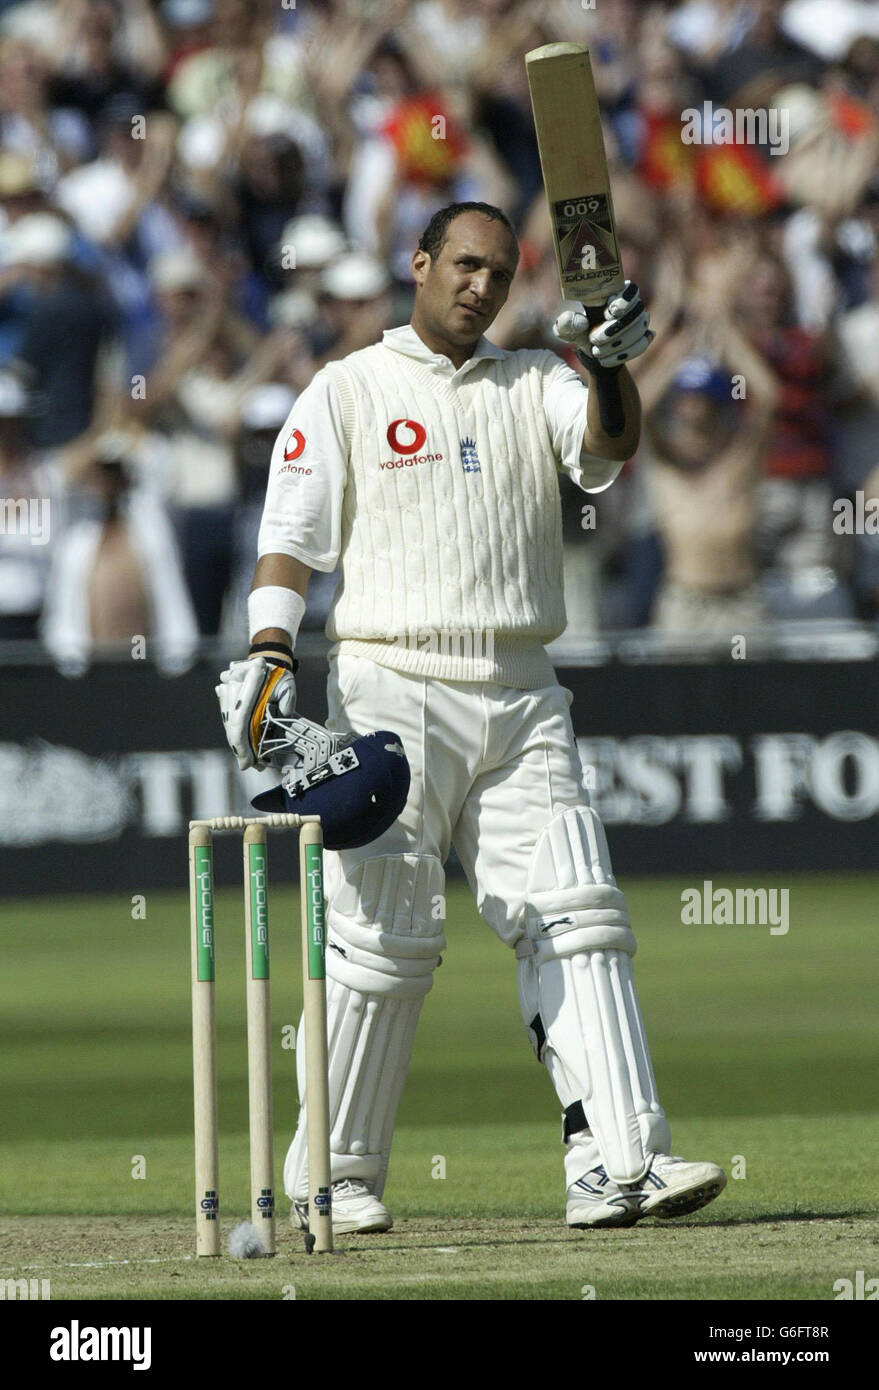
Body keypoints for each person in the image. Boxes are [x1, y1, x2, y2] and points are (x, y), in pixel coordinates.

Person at [217, 201, 727, 1233]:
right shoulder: (349, 386)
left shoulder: (538, 379)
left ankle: (621, 1163)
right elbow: (292, 537)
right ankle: (333, 1177)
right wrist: (270, 650)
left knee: (576, 910)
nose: (479, 287)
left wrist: (615, 365)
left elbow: (604, 452)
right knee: (383, 938)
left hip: (522, 684)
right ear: (418, 263)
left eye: (498, 273)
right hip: (391, 683)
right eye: (462, 265)